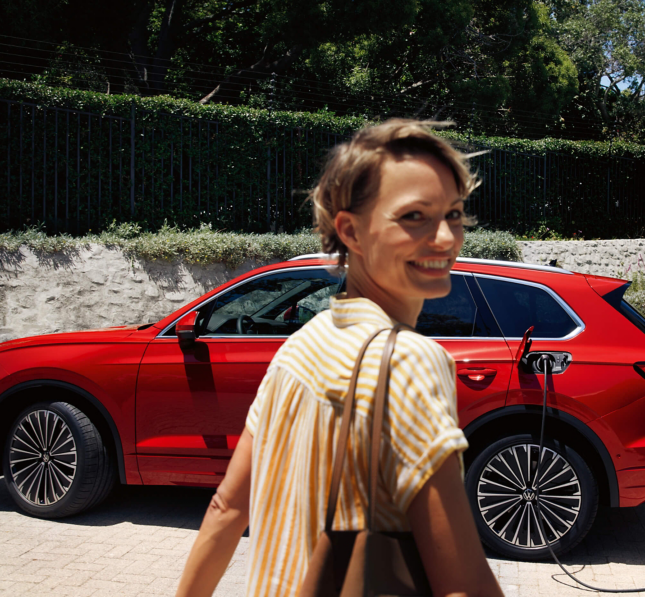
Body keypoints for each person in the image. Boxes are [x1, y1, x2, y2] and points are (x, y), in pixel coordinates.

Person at [175, 120, 504, 597]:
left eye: (453, 214)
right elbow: (464, 586)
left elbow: (226, 508)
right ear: (350, 230)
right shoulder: (409, 362)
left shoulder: (301, 345)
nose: (446, 238)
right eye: (414, 217)